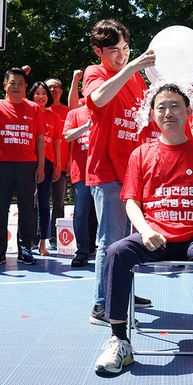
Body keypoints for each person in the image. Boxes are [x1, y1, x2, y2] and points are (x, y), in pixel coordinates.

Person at [93, 84, 193, 378]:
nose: (168, 113)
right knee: (115, 252)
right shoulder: (141, 154)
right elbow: (132, 203)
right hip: (155, 237)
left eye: (175, 106)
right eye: (161, 107)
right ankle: (119, 339)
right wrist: (145, 230)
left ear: (188, 112)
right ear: (152, 115)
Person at [82, 19, 155, 326]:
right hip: (106, 170)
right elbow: (98, 99)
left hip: (132, 171)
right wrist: (133, 66)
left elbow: (147, 119)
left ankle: (121, 291)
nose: (122, 55)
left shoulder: (138, 80)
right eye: (114, 50)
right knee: (110, 239)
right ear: (99, 51)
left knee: (130, 241)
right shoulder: (95, 72)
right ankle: (102, 304)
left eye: (125, 48)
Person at [0, 68, 45, 266]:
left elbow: (40, 138)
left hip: (27, 164)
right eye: (12, 83)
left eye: (20, 83)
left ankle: (25, 248)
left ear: (26, 86)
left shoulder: (34, 108)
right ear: (5, 86)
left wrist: (41, 166)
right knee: (1, 208)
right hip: (3, 164)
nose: (16, 86)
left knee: (27, 207)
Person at [30, 81, 62, 256]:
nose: (41, 97)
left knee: (44, 203)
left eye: (44, 93)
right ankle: (26, 242)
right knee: (27, 203)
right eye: (37, 93)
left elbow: (57, 142)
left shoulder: (54, 116)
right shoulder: (27, 112)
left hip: (48, 162)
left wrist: (57, 164)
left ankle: (43, 242)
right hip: (27, 161)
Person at [64, 100, 93, 267]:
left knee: (104, 214)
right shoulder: (75, 113)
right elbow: (67, 136)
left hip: (102, 172)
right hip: (81, 172)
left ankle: (104, 250)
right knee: (81, 213)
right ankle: (82, 252)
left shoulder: (108, 110)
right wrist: (87, 126)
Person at [46, 77, 70, 244]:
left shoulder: (68, 111)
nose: (53, 89)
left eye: (56, 86)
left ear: (61, 91)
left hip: (62, 164)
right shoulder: (38, 109)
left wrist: (69, 163)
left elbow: (72, 140)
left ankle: (55, 237)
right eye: (49, 87)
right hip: (42, 163)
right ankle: (35, 237)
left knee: (58, 203)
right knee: (37, 203)